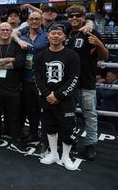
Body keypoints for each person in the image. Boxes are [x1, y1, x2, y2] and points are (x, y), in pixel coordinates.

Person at [33, 23, 80, 171]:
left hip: (65, 100)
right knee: (49, 127)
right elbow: (37, 77)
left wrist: (58, 95)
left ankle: (66, 156)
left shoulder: (72, 55)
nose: (55, 36)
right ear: (48, 36)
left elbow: (74, 79)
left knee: (67, 129)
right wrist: (48, 94)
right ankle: (53, 154)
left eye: (59, 34)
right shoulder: (40, 56)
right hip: (47, 99)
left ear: (64, 37)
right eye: (53, 33)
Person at [65, 5, 109, 161]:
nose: (74, 18)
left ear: (84, 17)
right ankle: (70, 142)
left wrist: (99, 44)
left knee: (89, 116)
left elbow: (104, 57)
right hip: (68, 84)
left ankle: (91, 145)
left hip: (86, 82)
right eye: (71, 16)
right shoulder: (66, 33)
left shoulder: (91, 32)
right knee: (69, 116)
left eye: (78, 16)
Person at [0, 23, 26, 152]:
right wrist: (8, 60)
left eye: (8, 30)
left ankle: (16, 139)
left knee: (14, 115)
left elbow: (18, 63)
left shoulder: (17, 46)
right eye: (2, 30)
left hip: (13, 87)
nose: (5, 32)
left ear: (11, 31)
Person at [20, 12, 49, 144]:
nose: (34, 21)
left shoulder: (47, 36)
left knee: (45, 111)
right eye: (32, 19)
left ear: (41, 21)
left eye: (37, 19)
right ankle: (33, 134)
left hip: (42, 79)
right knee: (31, 109)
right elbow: (12, 33)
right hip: (26, 78)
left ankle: (47, 137)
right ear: (28, 21)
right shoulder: (22, 35)